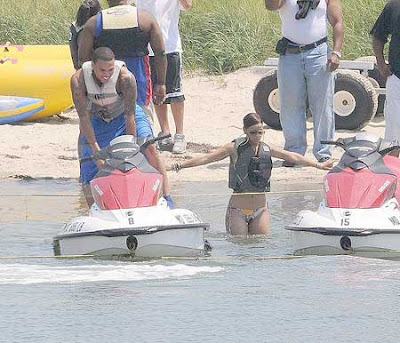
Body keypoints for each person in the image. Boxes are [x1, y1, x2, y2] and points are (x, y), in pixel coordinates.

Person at [167, 113, 334, 236]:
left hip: (261, 208)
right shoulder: (233, 148)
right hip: (238, 209)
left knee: (258, 249)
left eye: (260, 132)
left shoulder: (268, 148)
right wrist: (177, 165)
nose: (257, 136)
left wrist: (319, 165)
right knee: (240, 249)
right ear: (245, 131)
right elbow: (205, 159)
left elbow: (293, 156)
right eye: (253, 132)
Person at [70, 47, 173, 208]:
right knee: (88, 160)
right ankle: (93, 209)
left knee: (150, 146)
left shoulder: (126, 78)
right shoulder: (78, 80)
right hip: (96, 117)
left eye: (110, 70)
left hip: (126, 113)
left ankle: (167, 199)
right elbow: (83, 117)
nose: (106, 74)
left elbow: (130, 115)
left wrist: (132, 149)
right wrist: (96, 151)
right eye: (102, 70)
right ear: (92, 66)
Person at [265, 0, 343, 166]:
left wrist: (336, 52)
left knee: (322, 104)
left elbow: (337, 21)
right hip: (290, 53)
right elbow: (271, 5)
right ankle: (294, 152)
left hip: (318, 52)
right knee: (290, 104)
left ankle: (324, 151)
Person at [78, 0, 167, 117]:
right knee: (142, 124)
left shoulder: (94, 23)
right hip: (139, 84)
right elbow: (160, 53)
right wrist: (161, 83)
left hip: (105, 87)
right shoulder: (145, 18)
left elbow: (83, 58)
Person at [134, 0, 192, 154]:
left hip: (170, 46)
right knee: (156, 93)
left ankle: (180, 134)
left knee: (176, 93)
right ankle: (164, 133)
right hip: (146, 48)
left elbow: (187, 5)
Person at [371, 0, 400, 157]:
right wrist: (381, 63)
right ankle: (394, 171)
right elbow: (378, 36)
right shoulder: (394, 5)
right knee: (394, 134)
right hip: (397, 78)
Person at [69, 0, 102, 70]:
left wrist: (77, 66)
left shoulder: (75, 26)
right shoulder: (98, 25)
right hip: (97, 64)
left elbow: (73, 48)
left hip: (82, 64)